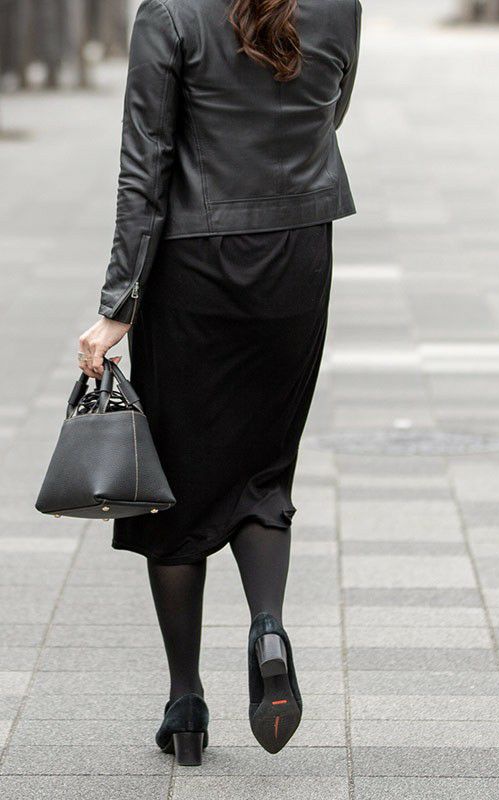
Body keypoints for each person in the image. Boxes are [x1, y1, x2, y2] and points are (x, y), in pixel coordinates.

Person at [75, 0, 361, 764]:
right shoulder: (339, 6)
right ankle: (268, 627)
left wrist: (118, 306)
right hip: (298, 255)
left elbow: (145, 166)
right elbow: (329, 115)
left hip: (196, 266)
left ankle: (186, 703)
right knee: (264, 470)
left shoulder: (169, 14)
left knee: (177, 482)